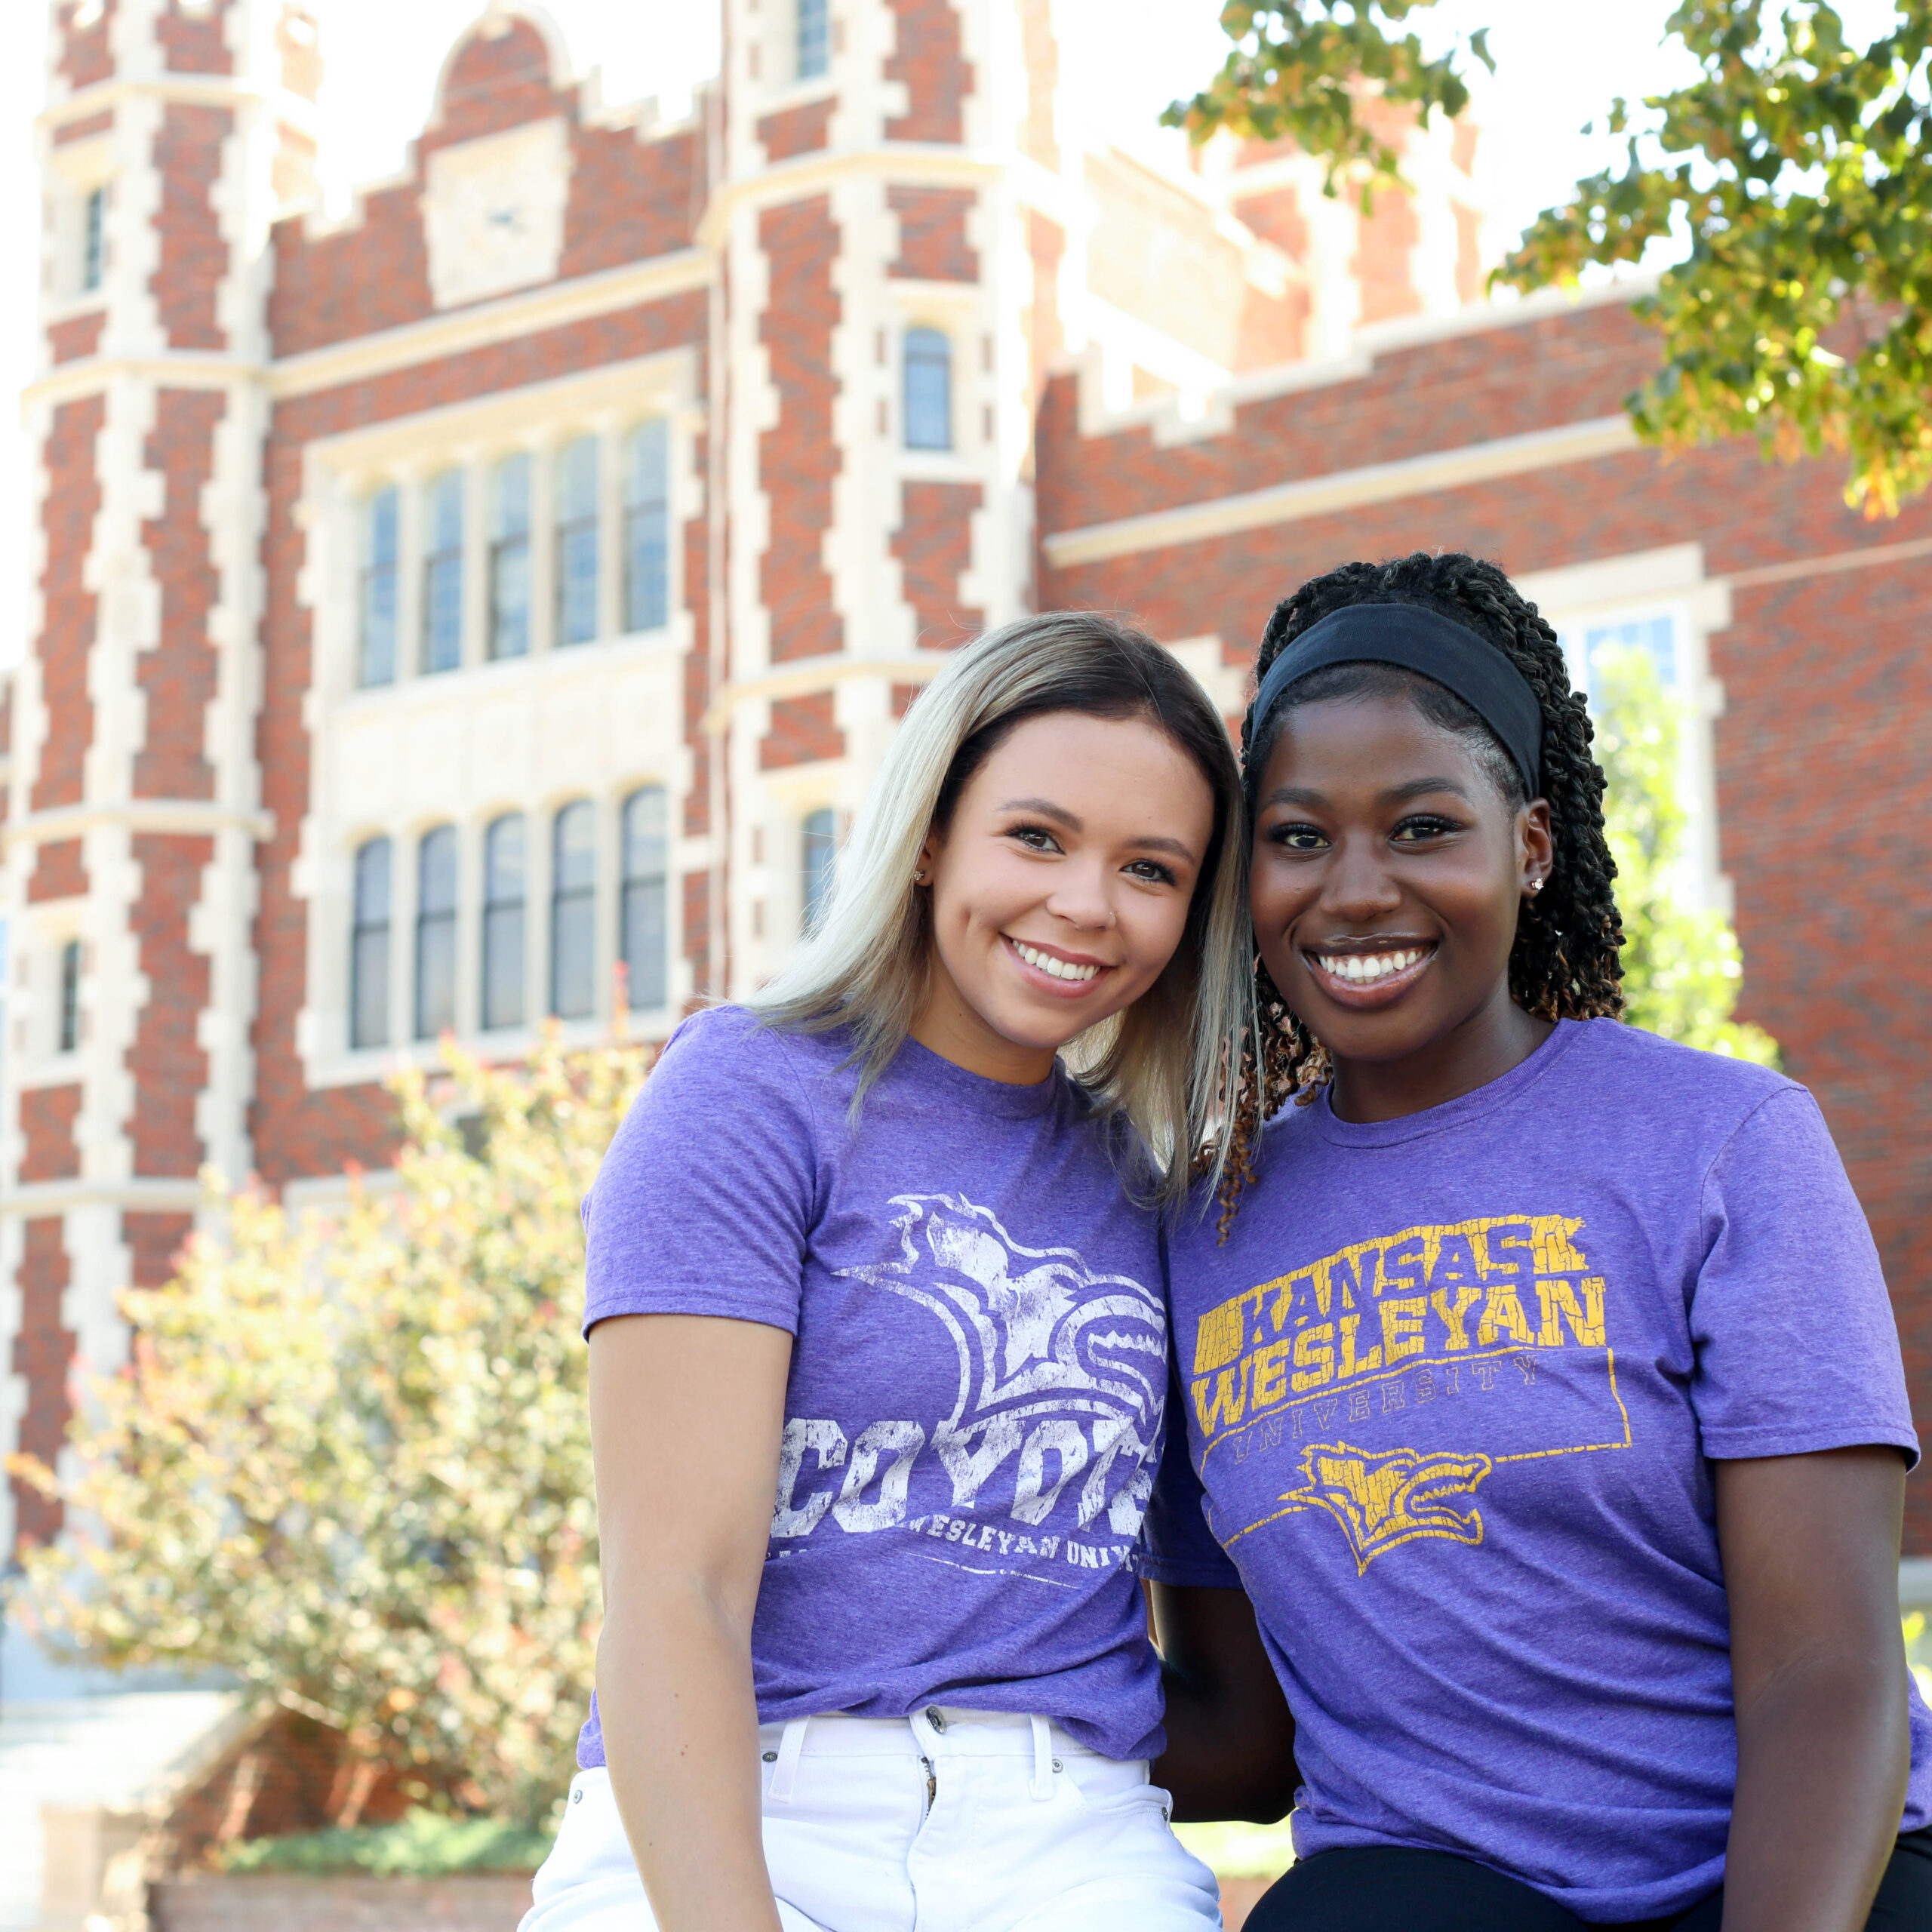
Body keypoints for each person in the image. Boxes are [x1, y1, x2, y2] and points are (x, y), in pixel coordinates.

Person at [1143, 552, 1932, 1931]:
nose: (1356, 890)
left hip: (1802, 1874)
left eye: (1424, 827)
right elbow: (1242, 1739)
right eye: (1299, 835)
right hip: (1436, 1890)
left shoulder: (1722, 1141)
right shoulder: (1198, 1232)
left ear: (1533, 845)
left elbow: (1830, 1670)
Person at [521, 611, 1253, 1932]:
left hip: (1068, 1840)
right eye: (1037, 837)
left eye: (1150, 868)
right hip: (746, 1807)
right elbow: (671, 1588)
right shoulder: (747, 1095)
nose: (1085, 904)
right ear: (927, 838)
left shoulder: (1160, 1197)